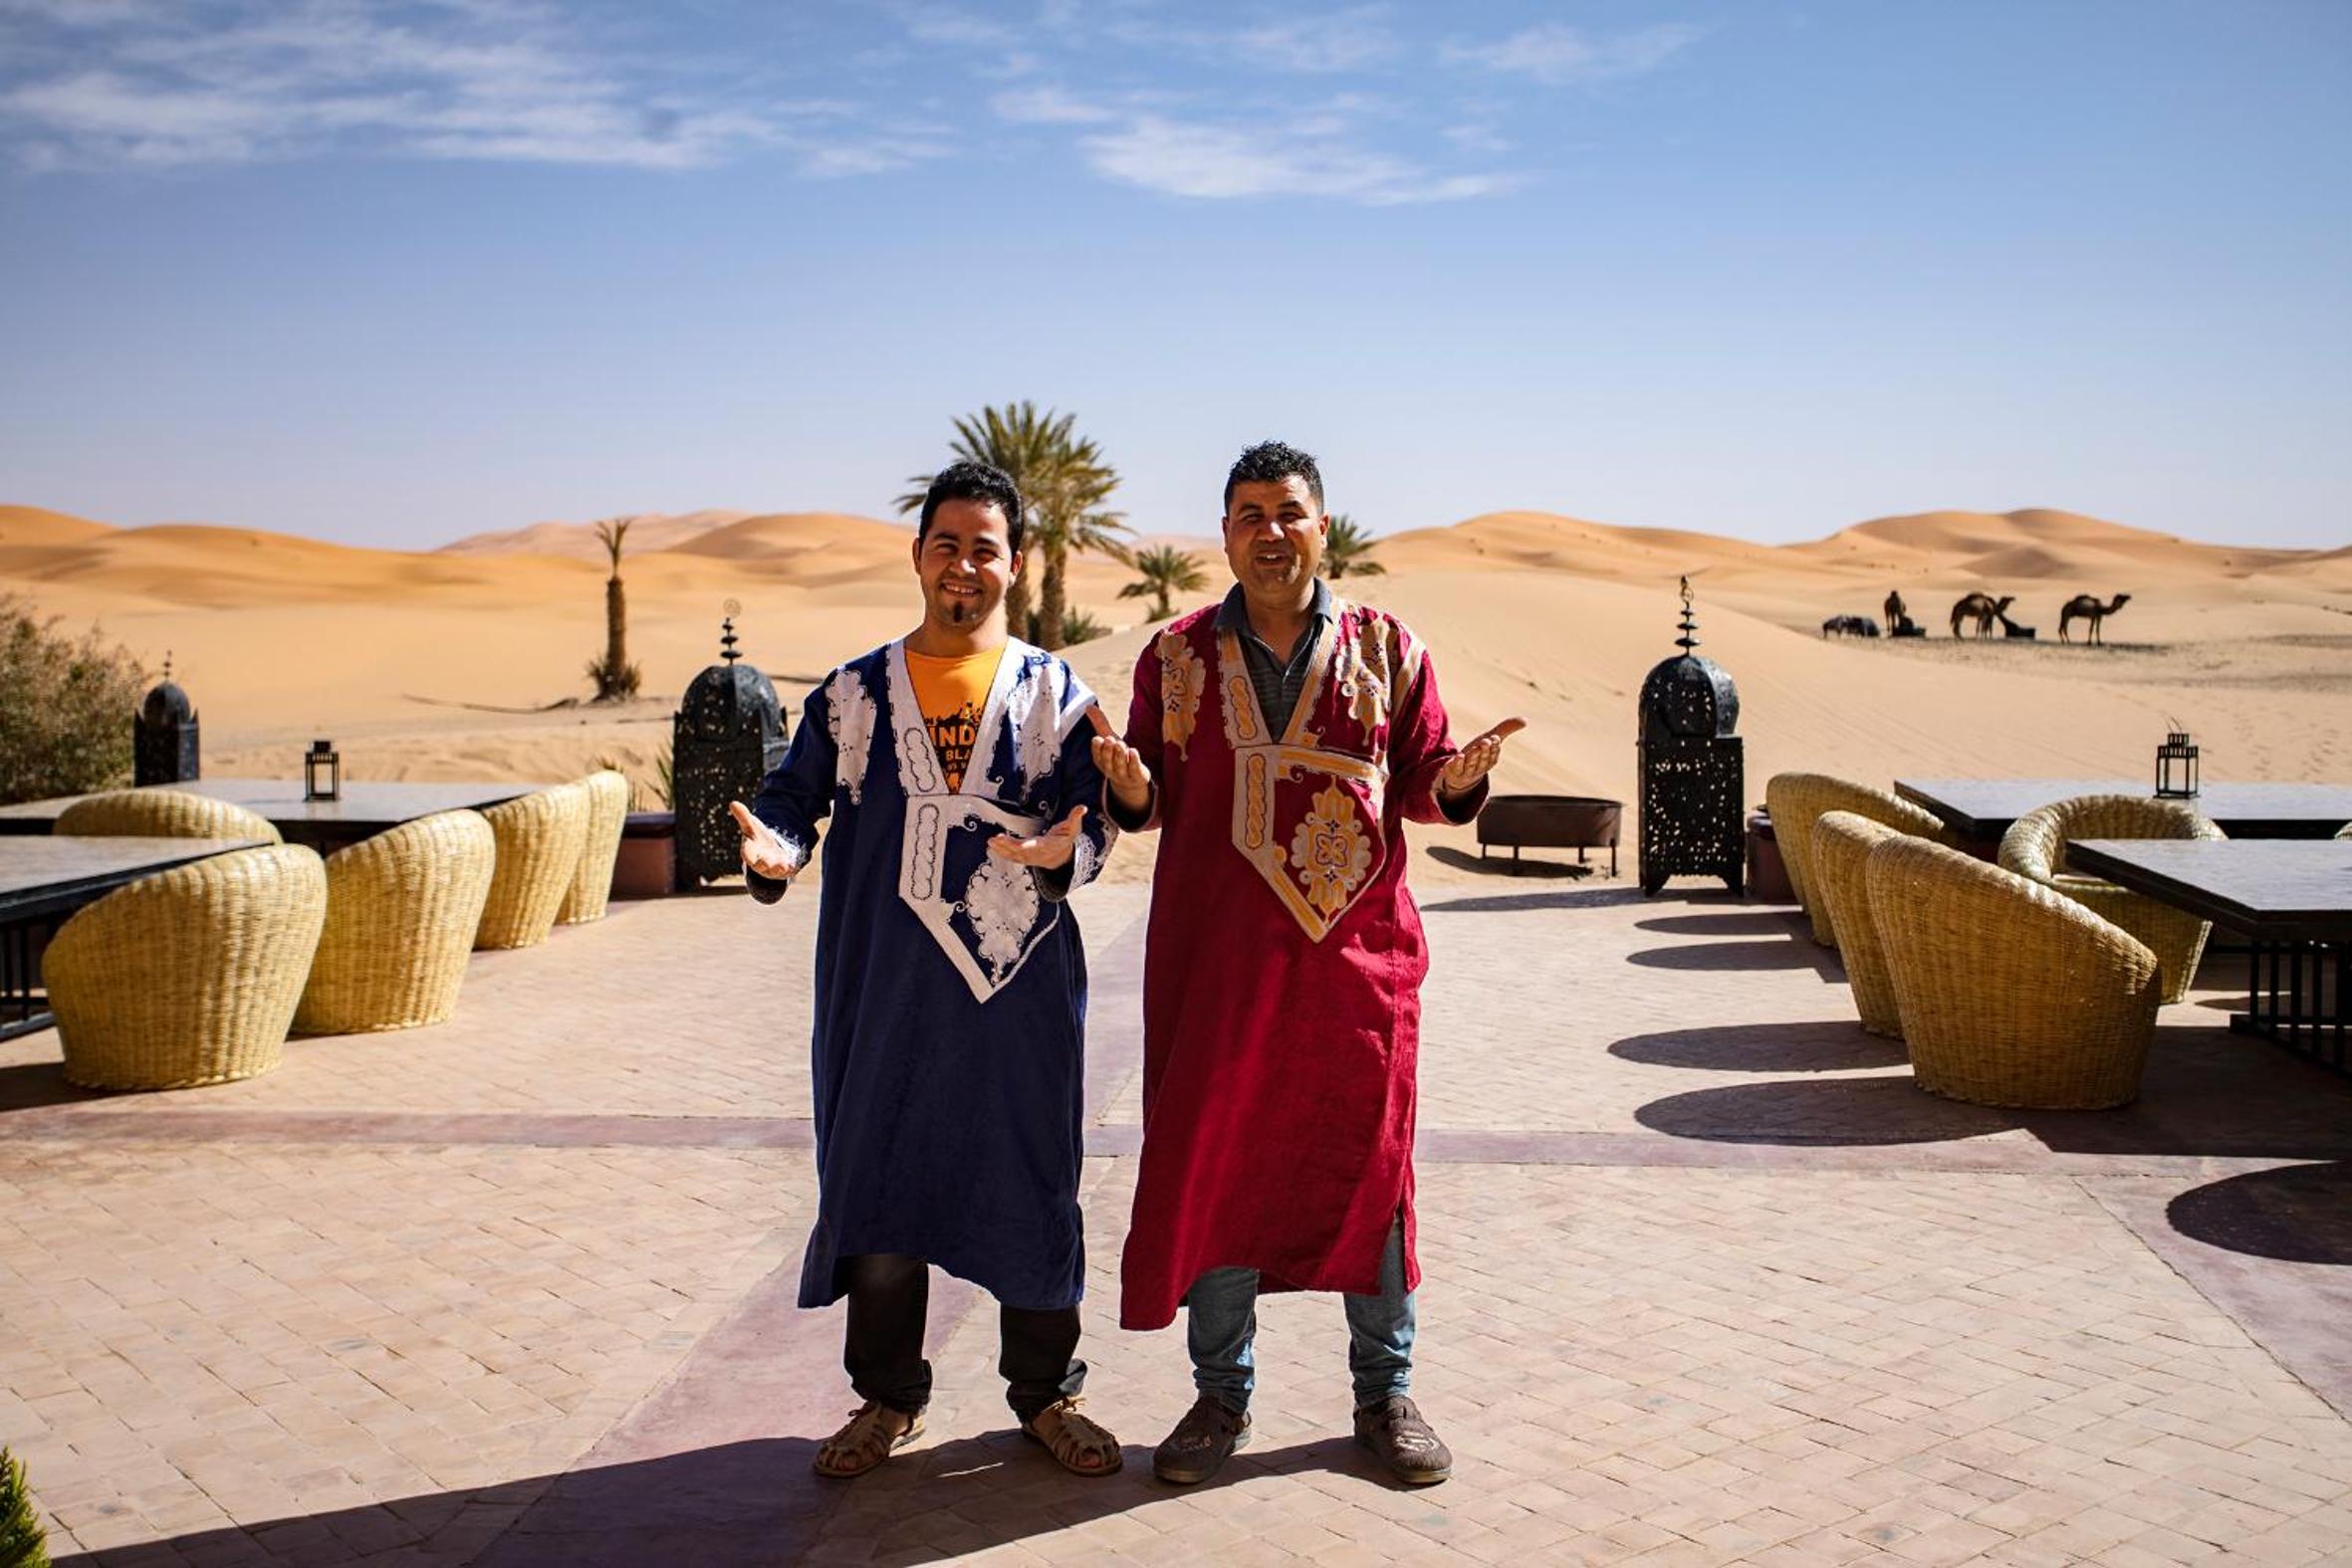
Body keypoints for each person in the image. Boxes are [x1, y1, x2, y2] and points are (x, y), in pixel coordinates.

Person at [1090, 440, 1521, 1487]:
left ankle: (1386, 1395)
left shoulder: (1390, 649)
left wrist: (1454, 780)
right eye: (1249, 515)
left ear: (1323, 527)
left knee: (1370, 1169)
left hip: (1355, 979)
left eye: (1289, 512)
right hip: (1217, 976)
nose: (1270, 532)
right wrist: (1130, 786)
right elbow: (1151, 797)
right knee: (1217, 1165)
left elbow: (1418, 779)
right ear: (1224, 534)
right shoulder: (1174, 657)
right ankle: (1219, 1397)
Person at [729, 459, 1122, 1480]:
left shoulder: (1056, 695)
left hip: (1016, 1003)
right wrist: (776, 849)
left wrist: (1069, 851)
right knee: (880, 1184)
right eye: (946, 544)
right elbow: (790, 801)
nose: (963, 565)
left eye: (984, 548)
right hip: (884, 999)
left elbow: (1094, 822)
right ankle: (887, 1397)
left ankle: (1046, 1393)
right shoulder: (851, 694)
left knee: (1033, 1182)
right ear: (916, 557)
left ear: (1015, 565)